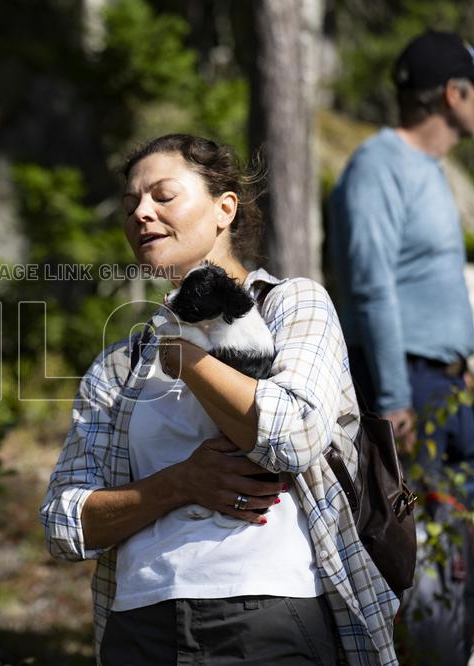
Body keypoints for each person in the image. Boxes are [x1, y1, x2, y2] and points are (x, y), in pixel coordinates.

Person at [40, 134, 399, 665]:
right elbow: (63, 524)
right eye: (130, 204)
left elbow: (293, 437)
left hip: (265, 614)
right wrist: (179, 483)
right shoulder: (120, 365)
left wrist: (189, 360)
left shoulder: (293, 306)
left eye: (163, 196)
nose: (141, 214)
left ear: (224, 209)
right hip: (140, 625)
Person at [328, 30, 474, 664]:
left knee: (451, 533)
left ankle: (448, 651)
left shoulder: (428, 170)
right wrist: (395, 398)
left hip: (441, 383)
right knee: (416, 541)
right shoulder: (379, 166)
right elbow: (371, 284)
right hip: (404, 384)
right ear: (453, 94)